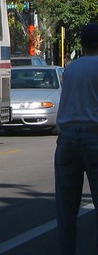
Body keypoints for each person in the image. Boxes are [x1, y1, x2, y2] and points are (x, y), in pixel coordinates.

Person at [55, 22, 98, 254]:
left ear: (82, 44)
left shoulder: (70, 69)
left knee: (66, 209)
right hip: (95, 136)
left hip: (68, 139)